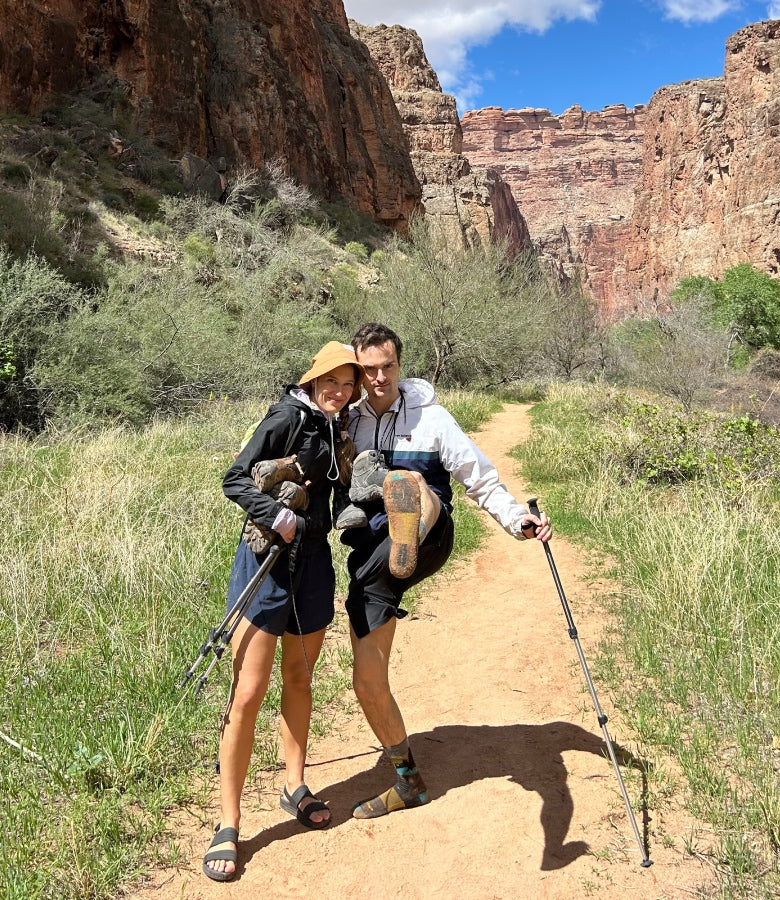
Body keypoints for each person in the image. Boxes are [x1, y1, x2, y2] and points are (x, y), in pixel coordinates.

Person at [340, 322, 552, 819]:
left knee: (413, 484)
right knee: (368, 681)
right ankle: (406, 780)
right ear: (358, 369)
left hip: (430, 536)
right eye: (367, 369)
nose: (378, 378)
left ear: (400, 364)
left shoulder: (430, 417)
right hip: (374, 554)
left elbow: (478, 476)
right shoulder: (350, 421)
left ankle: (411, 508)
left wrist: (518, 519)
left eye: (387, 367)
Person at [202, 341, 364, 882]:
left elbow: (338, 492)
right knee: (247, 692)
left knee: (299, 677)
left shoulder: (339, 427)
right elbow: (234, 477)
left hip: (313, 562)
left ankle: (294, 786)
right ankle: (228, 822)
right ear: (314, 379)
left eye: (348, 383)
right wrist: (276, 513)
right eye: (331, 380)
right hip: (265, 560)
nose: (338, 391)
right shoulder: (286, 416)